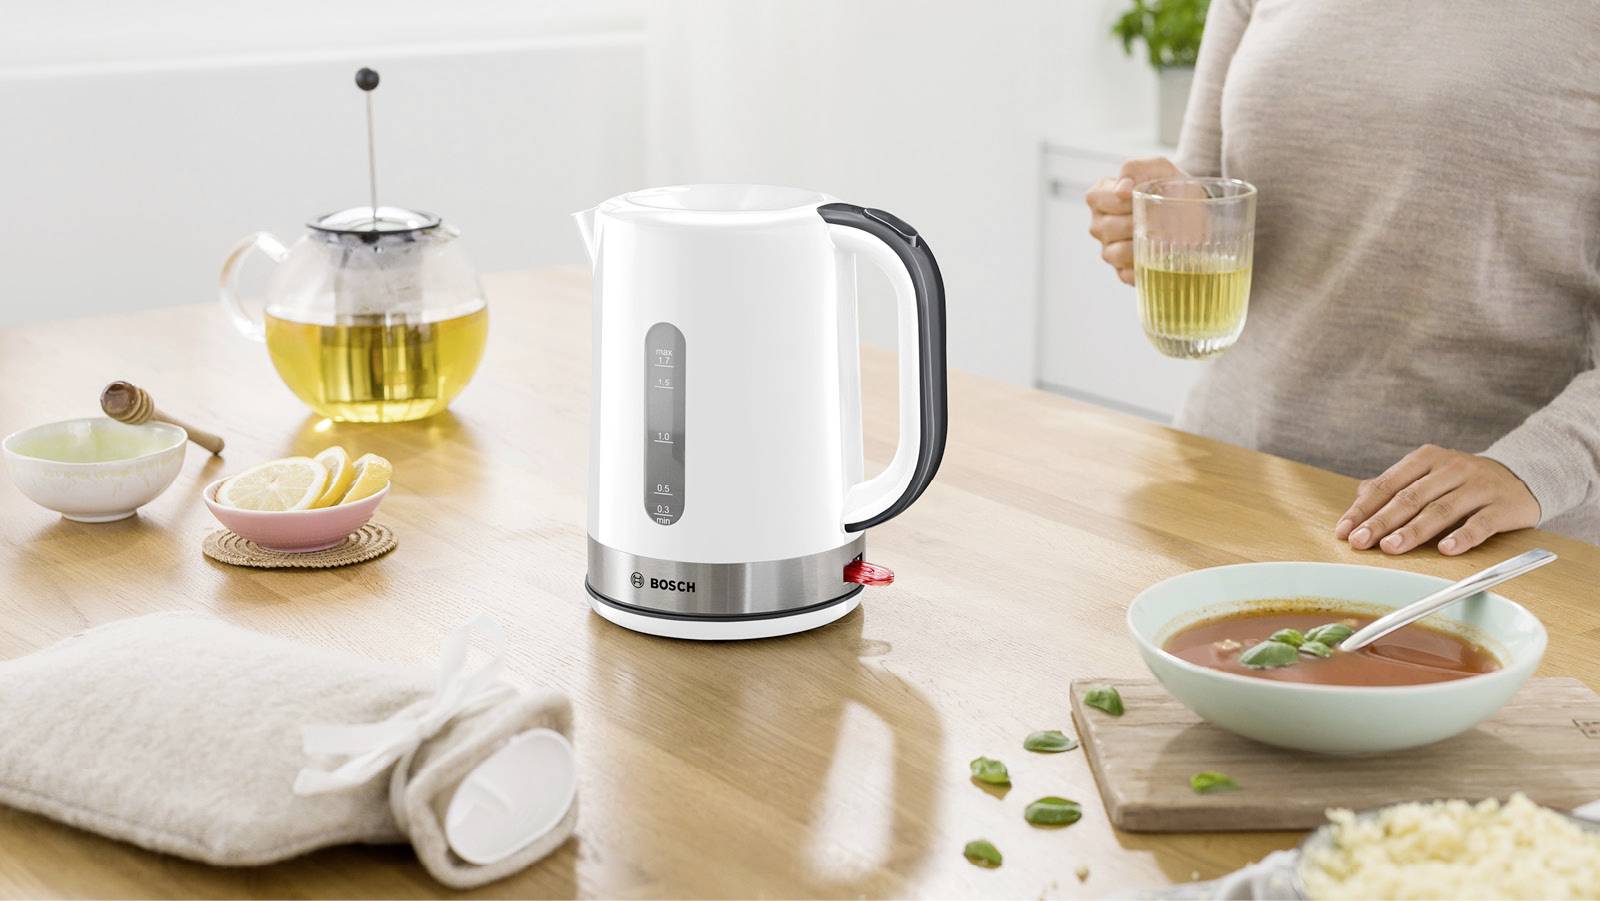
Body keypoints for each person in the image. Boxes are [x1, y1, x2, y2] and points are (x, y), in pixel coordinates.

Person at [1085, 0, 1599, 555]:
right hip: (1230, 476)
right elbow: (1212, 192)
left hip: (1463, 539)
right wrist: (1171, 220)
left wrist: (1530, 468)